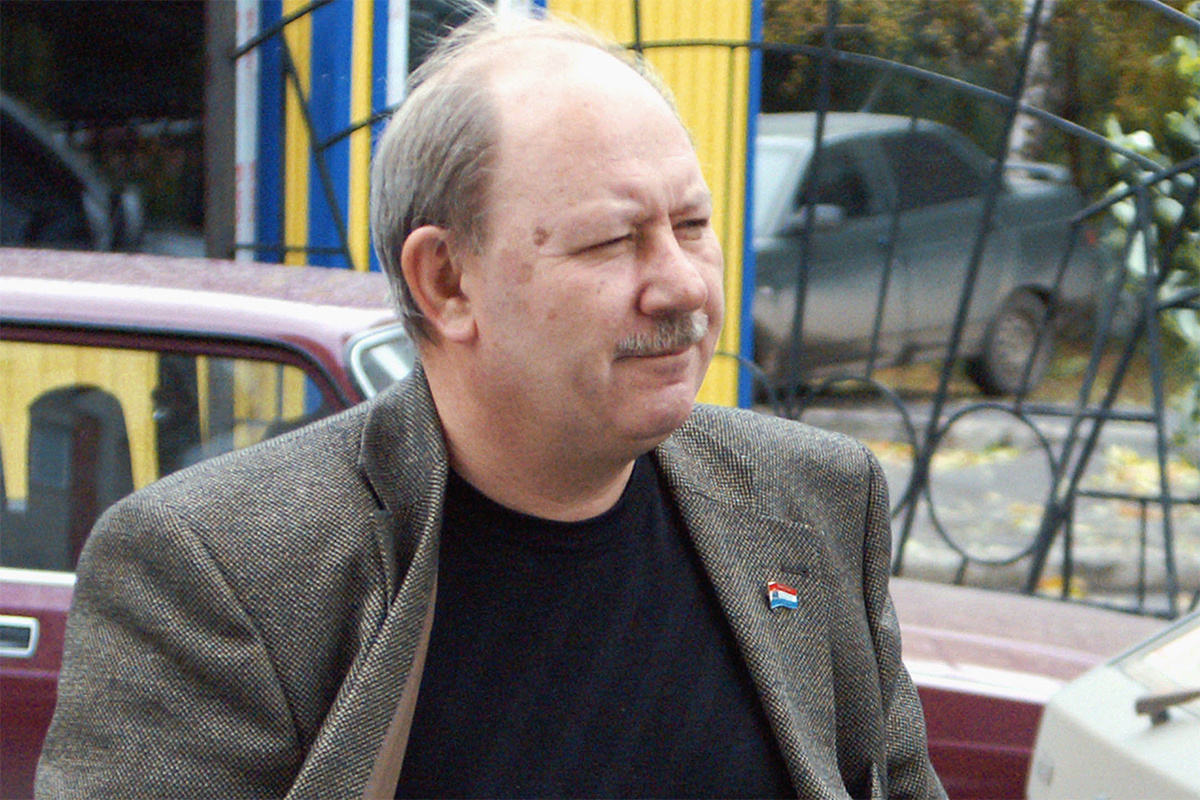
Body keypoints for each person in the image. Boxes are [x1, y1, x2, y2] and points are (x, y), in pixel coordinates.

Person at [36, 8, 945, 799]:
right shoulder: (221, 573)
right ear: (446, 282)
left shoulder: (817, 500)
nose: (682, 285)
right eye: (613, 241)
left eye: (692, 226)